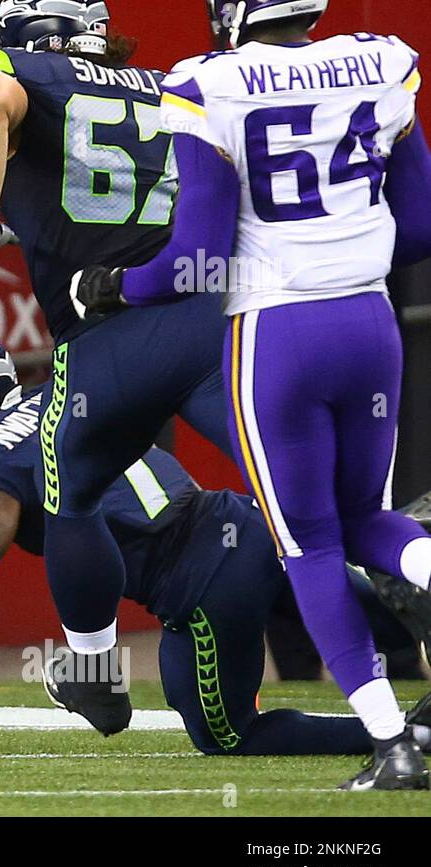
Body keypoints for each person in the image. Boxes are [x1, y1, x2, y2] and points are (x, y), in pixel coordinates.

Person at [70, 1, 431, 789]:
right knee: (368, 516)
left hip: (280, 335)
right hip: (371, 319)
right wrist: (343, 253)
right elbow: (423, 223)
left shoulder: (212, 82)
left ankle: (393, 743)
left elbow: (192, 253)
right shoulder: (378, 59)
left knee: (309, 541)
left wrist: (114, 288)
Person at [0, 331, 431, 756]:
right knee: (374, 610)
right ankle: (405, 588)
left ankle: (408, 734)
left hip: (196, 582)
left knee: (226, 735)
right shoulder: (62, 386)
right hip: (239, 518)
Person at [0, 0, 233, 736]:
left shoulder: (20, 72)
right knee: (297, 491)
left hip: (107, 334)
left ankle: (95, 670)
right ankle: (404, 574)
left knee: (69, 490)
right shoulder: (173, 81)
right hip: (210, 318)